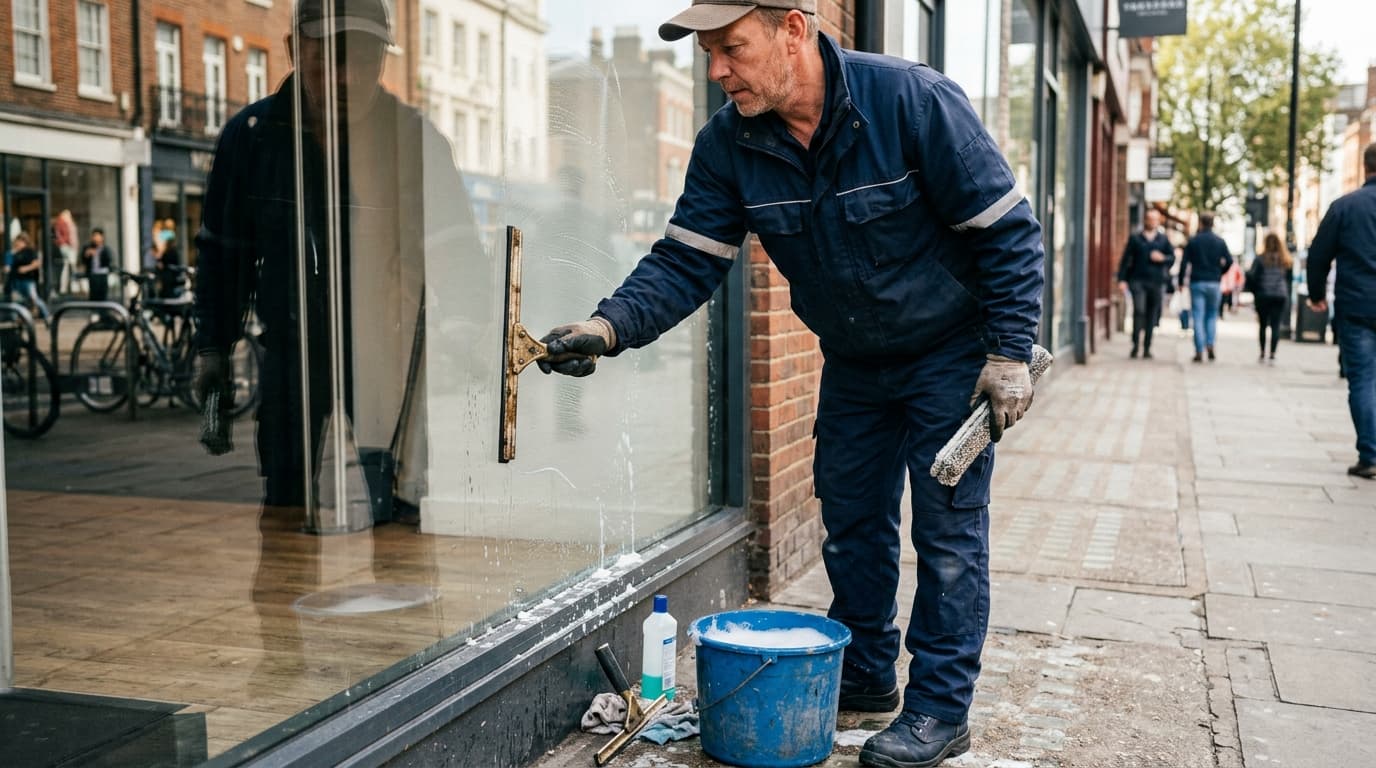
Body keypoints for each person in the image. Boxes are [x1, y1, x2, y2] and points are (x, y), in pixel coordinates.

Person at [537, 3, 1044, 766]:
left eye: (731, 49)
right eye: (709, 54)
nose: (716, 72)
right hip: (854, 360)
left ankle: (941, 709)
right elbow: (687, 261)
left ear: (794, 31)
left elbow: (1007, 230)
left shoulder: (911, 102)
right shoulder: (728, 144)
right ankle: (870, 676)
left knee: (945, 536)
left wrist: (1007, 352)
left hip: (950, 353)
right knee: (851, 519)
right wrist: (609, 328)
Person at [193, 0, 481, 514]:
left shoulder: (415, 140)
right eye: (327, 57)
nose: (345, 77)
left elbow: (457, 250)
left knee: (393, 507)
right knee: (284, 505)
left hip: (387, 364)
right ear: (293, 49)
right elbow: (223, 255)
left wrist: (466, 328)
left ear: (384, 62)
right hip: (291, 354)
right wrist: (213, 348)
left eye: (365, 59)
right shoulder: (253, 139)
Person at [1306, 142, 1376, 480]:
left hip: (1356, 305)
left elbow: (1319, 255)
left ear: (1365, 167)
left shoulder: (1345, 206)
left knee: (1362, 380)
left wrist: (1317, 295)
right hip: (1357, 304)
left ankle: (1370, 455)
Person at [1117, 208, 1174, 359]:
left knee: (1152, 315)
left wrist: (1163, 258)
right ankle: (1135, 345)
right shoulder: (1136, 238)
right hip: (1137, 281)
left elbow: (1172, 258)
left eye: (1155, 219)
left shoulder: (1163, 239)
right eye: (1150, 218)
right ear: (1145, 220)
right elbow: (1126, 260)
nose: (1152, 221)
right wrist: (1122, 279)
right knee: (1139, 311)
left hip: (1156, 282)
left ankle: (1147, 347)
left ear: (1158, 221)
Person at [1178, 212, 1233, 362]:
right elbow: (1229, 261)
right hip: (1214, 283)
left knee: (1198, 316)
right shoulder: (1219, 241)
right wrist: (1219, 273)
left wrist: (1181, 282)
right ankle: (1210, 344)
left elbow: (1184, 263)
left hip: (1197, 282)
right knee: (1211, 316)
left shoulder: (1194, 241)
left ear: (1201, 223)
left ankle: (1199, 350)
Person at [1247, 233, 1292, 364]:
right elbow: (1289, 280)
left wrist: (1255, 292)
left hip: (1263, 295)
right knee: (1275, 325)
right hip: (1279, 296)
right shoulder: (1285, 260)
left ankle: (1262, 352)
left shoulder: (1260, 259)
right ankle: (1272, 354)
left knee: (1262, 325)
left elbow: (1252, 277)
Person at [7, 233, 50, 320]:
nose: (16, 244)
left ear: (24, 242)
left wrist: (26, 268)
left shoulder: (29, 251)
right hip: (17, 280)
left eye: (18, 242)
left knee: (34, 298)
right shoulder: (15, 253)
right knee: (19, 300)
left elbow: (37, 263)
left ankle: (47, 316)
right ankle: (21, 319)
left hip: (28, 280)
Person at [81, 227, 116, 302]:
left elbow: (109, 261)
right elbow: (83, 261)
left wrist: (98, 254)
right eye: (94, 236)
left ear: (102, 237)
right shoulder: (88, 248)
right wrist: (87, 255)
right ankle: (94, 311)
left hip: (103, 274)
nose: (95, 238)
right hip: (93, 274)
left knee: (102, 295)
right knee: (93, 295)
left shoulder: (105, 249)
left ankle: (102, 311)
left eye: (97, 236)